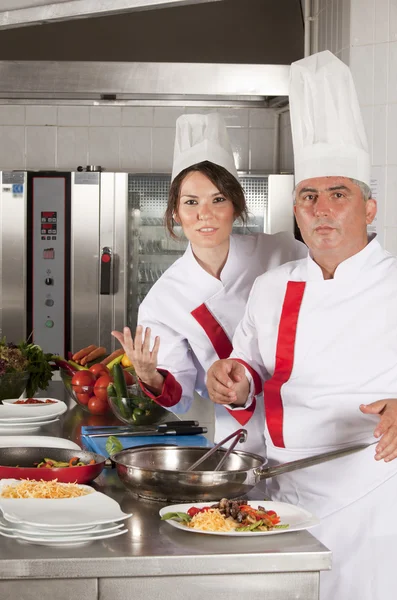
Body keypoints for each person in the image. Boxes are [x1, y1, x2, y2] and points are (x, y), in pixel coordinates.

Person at [206, 51, 397, 600]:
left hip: (377, 495)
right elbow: (248, 371)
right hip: (283, 488)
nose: (321, 209)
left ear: (369, 209)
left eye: (338, 195)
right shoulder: (272, 287)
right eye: (308, 196)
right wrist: (234, 379)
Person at [112, 112, 307, 454]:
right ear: (175, 212)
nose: (205, 214)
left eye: (218, 199)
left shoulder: (284, 253)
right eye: (191, 202)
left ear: (235, 206)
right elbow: (180, 395)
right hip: (237, 440)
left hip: (310, 424)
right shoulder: (163, 300)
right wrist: (149, 376)